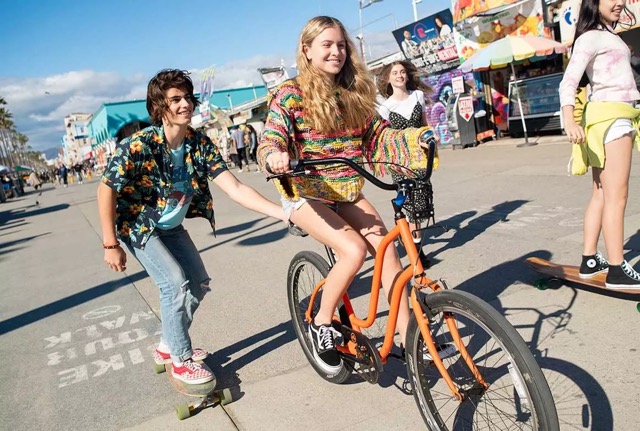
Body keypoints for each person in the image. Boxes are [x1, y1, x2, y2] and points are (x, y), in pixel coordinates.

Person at [258, 16, 449, 376]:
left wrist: (415, 140)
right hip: (303, 191)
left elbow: (379, 137)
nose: (336, 52)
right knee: (353, 250)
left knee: (389, 252)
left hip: (346, 188)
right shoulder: (289, 94)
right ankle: (321, 322)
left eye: (341, 45)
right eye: (327, 45)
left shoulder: (355, 92)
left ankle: (409, 337)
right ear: (307, 50)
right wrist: (274, 155)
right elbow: (272, 137)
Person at [97, 69, 286, 384]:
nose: (185, 104)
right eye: (175, 99)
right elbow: (106, 190)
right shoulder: (139, 145)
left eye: (187, 97)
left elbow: (235, 188)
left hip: (171, 227)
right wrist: (110, 243)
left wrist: (283, 213)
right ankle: (181, 361)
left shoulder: (198, 143)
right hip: (138, 227)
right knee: (175, 285)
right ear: (159, 108)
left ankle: (167, 345)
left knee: (197, 284)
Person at [558, 0, 640, 289]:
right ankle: (617, 268)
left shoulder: (605, 34)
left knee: (602, 193)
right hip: (613, 117)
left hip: (608, 116)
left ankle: (590, 259)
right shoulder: (592, 36)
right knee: (617, 195)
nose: (619, 3)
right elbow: (568, 82)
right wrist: (569, 120)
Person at [377, 60, 434, 266]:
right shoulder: (385, 107)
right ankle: (417, 252)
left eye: (402, 72)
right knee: (410, 206)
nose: (400, 75)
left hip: (420, 159)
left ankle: (411, 239)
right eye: (395, 73)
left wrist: (431, 141)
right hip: (400, 162)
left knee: (421, 206)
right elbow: (384, 137)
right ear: (388, 78)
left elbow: (425, 124)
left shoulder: (417, 96)